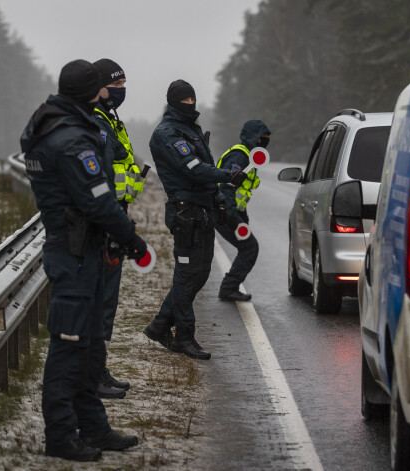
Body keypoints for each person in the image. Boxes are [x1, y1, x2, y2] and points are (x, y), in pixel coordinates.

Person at [20, 59, 145, 462]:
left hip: (83, 249)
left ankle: (93, 427)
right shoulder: (69, 138)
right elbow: (97, 200)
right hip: (73, 252)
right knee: (68, 348)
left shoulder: (58, 124)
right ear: (92, 90)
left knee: (88, 347)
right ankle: (60, 436)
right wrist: (132, 239)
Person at [142, 79, 247, 360]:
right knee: (187, 274)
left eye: (193, 99)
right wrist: (227, 176)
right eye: (185, 100)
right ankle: (184, 337)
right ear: (174, 102)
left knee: (199, 273)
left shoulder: (191, 129)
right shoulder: (167, 133)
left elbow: (205, 171)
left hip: (201, 211)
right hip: (185, 213)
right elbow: (194, 169)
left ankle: (160, 325)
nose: (191, 104)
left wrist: (220, 198)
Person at [92, 58, 147, 399]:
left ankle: (99, 369)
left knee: (107, 301)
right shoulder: (95, 123)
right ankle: (93, 374)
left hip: (116, 218)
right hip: (105, 223)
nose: (122, 91)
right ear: (99, 86)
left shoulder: (111, 120)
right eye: (116, 85)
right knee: (98, 302)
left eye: (125, 84)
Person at [215, 120, 271, 301]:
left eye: (266, 139)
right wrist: (232, 218)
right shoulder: (240, 156)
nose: (264, 143)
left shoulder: (248, 156)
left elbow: (241, 192)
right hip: (223, 211)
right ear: (253, 138)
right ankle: (228, 288)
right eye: (262, 139)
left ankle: (229, 287)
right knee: (249, 247)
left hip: (229, 211)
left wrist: (242, 217)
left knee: (247, 247)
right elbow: (226, 186)